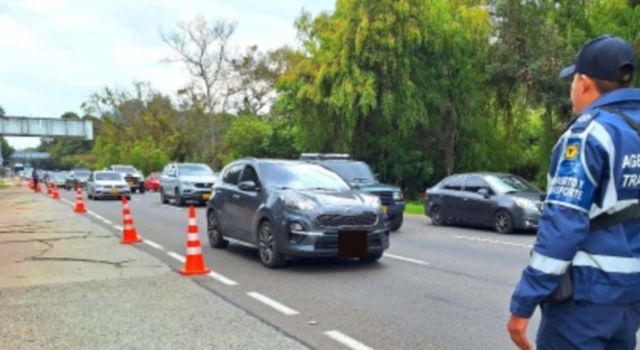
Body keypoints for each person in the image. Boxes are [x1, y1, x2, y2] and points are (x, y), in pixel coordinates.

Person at [508, 35, 640, 350]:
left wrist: (524, 302)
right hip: (628, 299)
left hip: (584, 303)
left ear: (583, 83)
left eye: (572, 81)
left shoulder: (587, 134)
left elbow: (562, 227)